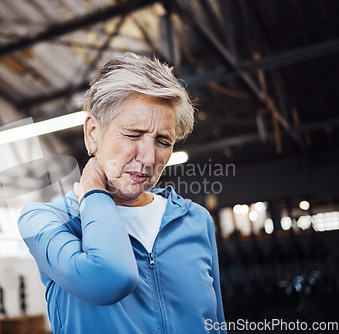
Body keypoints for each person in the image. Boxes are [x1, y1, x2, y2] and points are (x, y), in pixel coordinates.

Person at [18, 53, 226, 334]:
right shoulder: (47, 221)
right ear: (92, 133)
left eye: (163, 141)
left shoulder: (196, 220)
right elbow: (108, 277)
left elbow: (216, 324)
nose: (149, 157)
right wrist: (94, 191)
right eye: (133, 134)